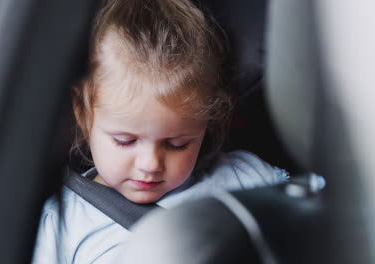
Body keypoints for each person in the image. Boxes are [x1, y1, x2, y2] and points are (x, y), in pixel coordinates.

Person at [32, 0, 289, 263]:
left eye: (177, 144)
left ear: (207, 123)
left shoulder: (246, 179)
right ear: (83, 114)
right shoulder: (63, 223)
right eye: (125, 141)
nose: (151, 164)